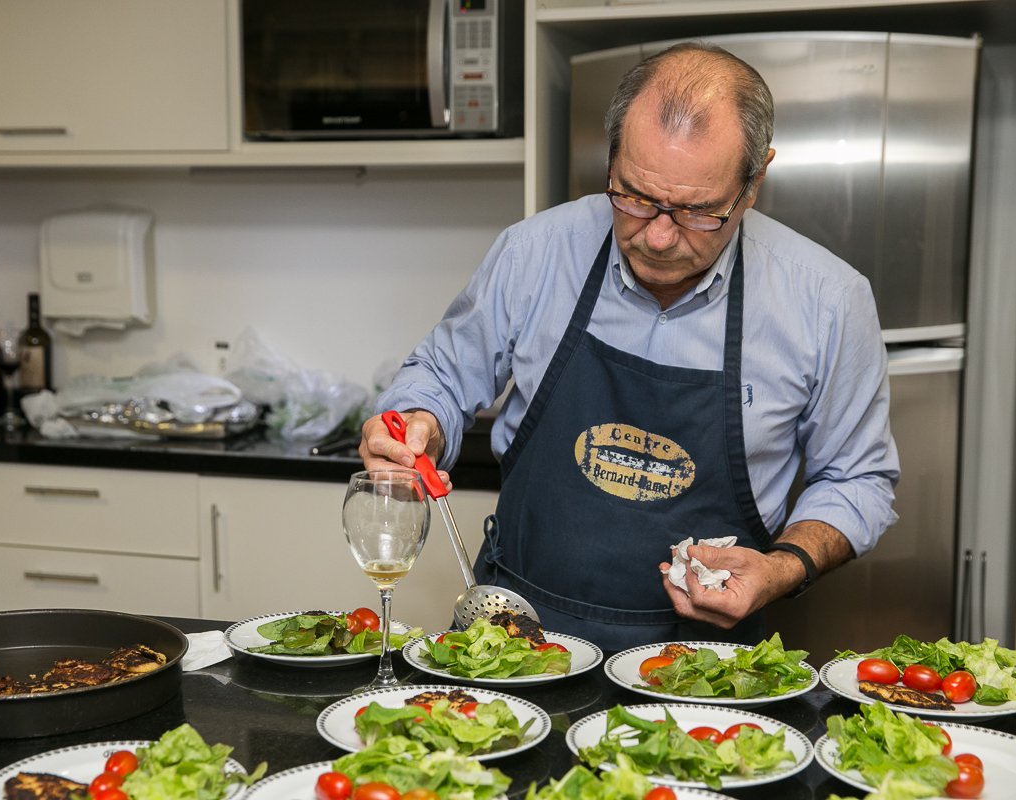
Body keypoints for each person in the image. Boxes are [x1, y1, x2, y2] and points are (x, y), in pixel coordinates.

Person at [358, 42, 899, 650]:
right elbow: (441, 375)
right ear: (612, 158)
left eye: (698, 212)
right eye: (636, 198)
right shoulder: (535, 253)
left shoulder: (827, 301)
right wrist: (419, 423)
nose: (660, 238)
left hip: (700, 666)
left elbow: (858, 478)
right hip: (514, 640)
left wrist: (784, 566)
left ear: (754, 182)